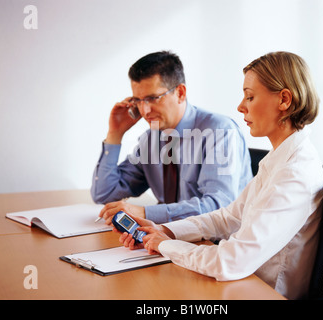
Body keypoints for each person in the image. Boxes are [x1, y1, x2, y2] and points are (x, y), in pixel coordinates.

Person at [118, 51, 323, 300]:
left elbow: (231, 261)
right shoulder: (279, 158)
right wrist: (165, 231)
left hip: (262, 291)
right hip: (244, 283)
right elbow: (228, 217)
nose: (240, 106)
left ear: (284, 99)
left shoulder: (294, 174)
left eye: (250, 96)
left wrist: (163, 244)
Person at [91, 51, 253, 224]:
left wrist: (145, 213)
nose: (145, 111)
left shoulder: (219, 131)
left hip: (216, 244)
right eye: (138, 100)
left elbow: (218, 206)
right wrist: (115, 134)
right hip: (168, 239)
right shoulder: (151, 139)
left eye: (152, 98)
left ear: (180, 93)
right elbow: (104, 193)